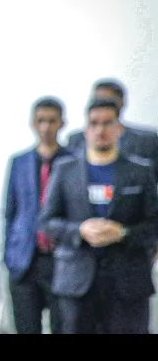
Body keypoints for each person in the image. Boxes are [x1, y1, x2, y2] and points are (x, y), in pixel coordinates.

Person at [39, 97, 158, 334]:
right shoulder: (65, 169)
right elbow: (46, 221)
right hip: (76, 282)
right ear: (86, 129)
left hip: (128, 281)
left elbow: (154, 225)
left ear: (119, 128)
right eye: (94, 123)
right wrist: (80, 230)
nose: (100, 130)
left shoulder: (140, 171)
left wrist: (123, 233)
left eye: (107, 123)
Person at [3, 96, 72, 334]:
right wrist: (9, 256)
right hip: (24, 261)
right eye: (41, 120)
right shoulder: (19, 162)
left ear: (62, 123)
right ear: (33, 122)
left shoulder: (74, 161)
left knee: (65, 327)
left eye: (52, 121)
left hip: (61, 260)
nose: (46, 127)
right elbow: (11, 212)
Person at [66, 78, 158, 179]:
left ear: (122, 103)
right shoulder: (76, 140)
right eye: (97, 100)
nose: (103, 104)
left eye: (108, 100)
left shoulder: (146, 141)